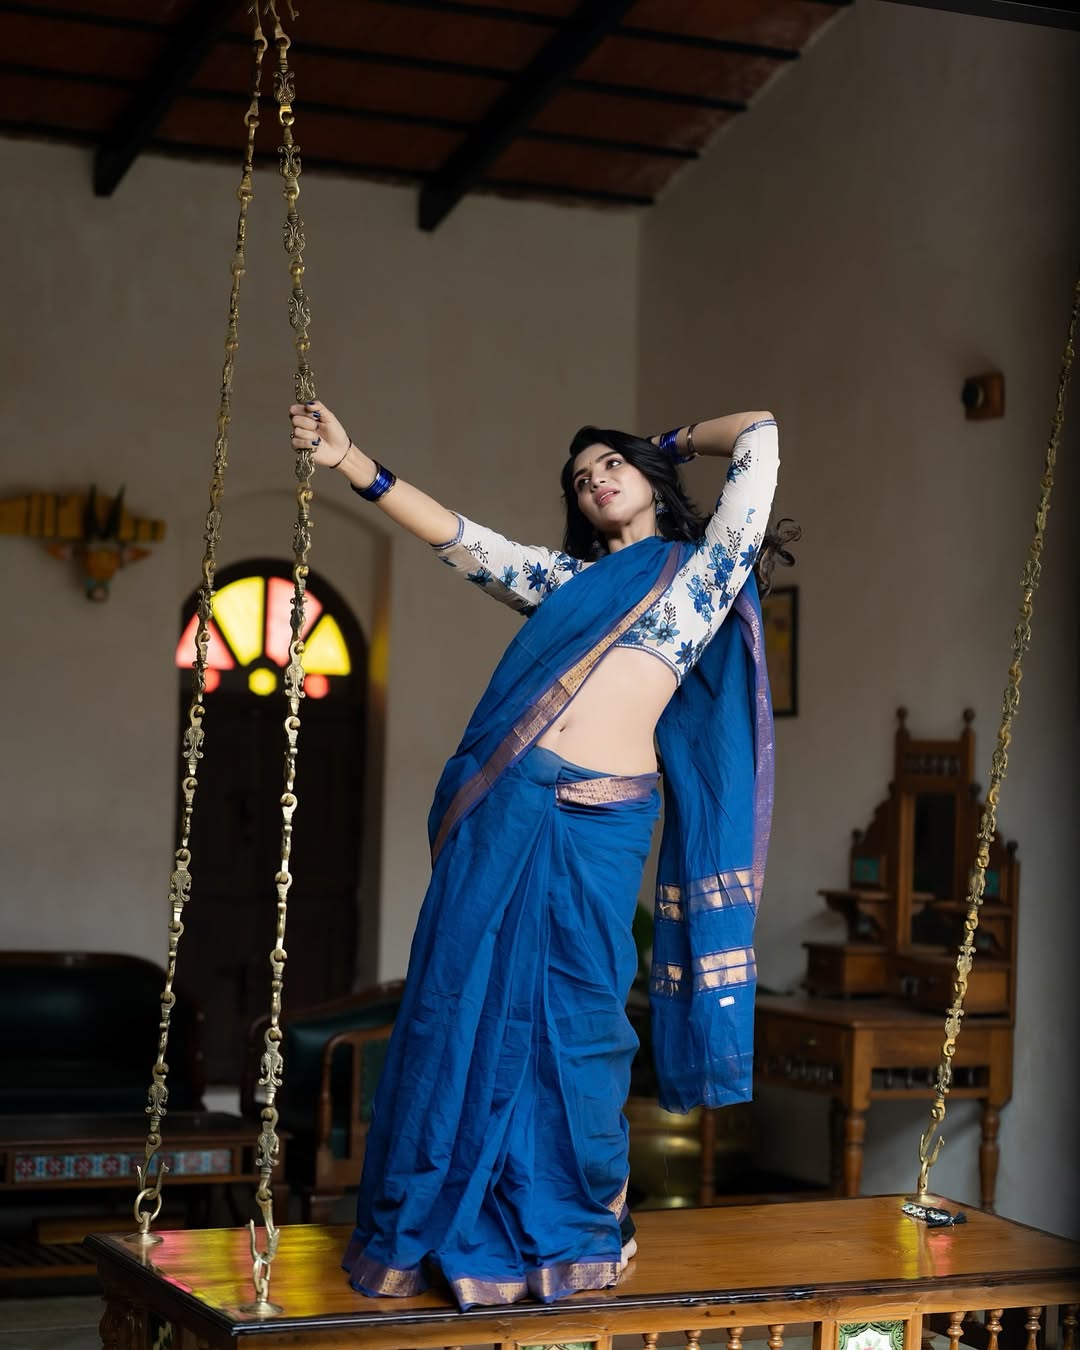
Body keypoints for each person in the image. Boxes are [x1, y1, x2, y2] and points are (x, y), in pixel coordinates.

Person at [288, 399, 785, 1310]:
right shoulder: (565, 583)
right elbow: (459, 539)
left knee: (585, 1022)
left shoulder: (706, 572)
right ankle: (441, 1228)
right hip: (509, 802)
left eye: (611, 465)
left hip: (604, 821)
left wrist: (664, 442)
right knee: (459, 1004)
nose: (596, 480)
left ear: (650, 479)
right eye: (581, 477)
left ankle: (575, 1224)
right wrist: (352, 459)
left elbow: (759, 432)